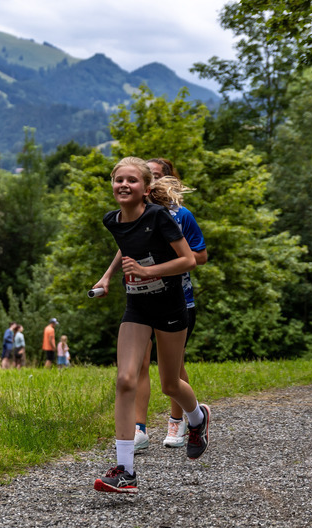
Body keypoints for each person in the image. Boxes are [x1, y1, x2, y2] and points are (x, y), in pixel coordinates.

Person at [89, 157, 211, 494]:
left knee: (170, 384)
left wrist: (148, 272)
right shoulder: (112, 220)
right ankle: (125, 470)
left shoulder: (159, 216)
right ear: (112, 185)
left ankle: (197, 417)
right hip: (137, 308)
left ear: (145, 188)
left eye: (132, 180)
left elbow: (189, 260)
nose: (124, 185)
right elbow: (127, 245)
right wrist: (108, 277)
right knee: (125, 379)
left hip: (171, 307)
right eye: (118, 180)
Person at [133, 159, 207, 450]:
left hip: (178, 298)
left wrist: (168, 259)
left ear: (166, 181)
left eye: (155, 175)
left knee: (172, 369)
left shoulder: (182, 215)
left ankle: (178, 422)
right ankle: (139, 430)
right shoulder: (135, 214)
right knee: (138, 363)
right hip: (141, 297)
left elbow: (198, 257)